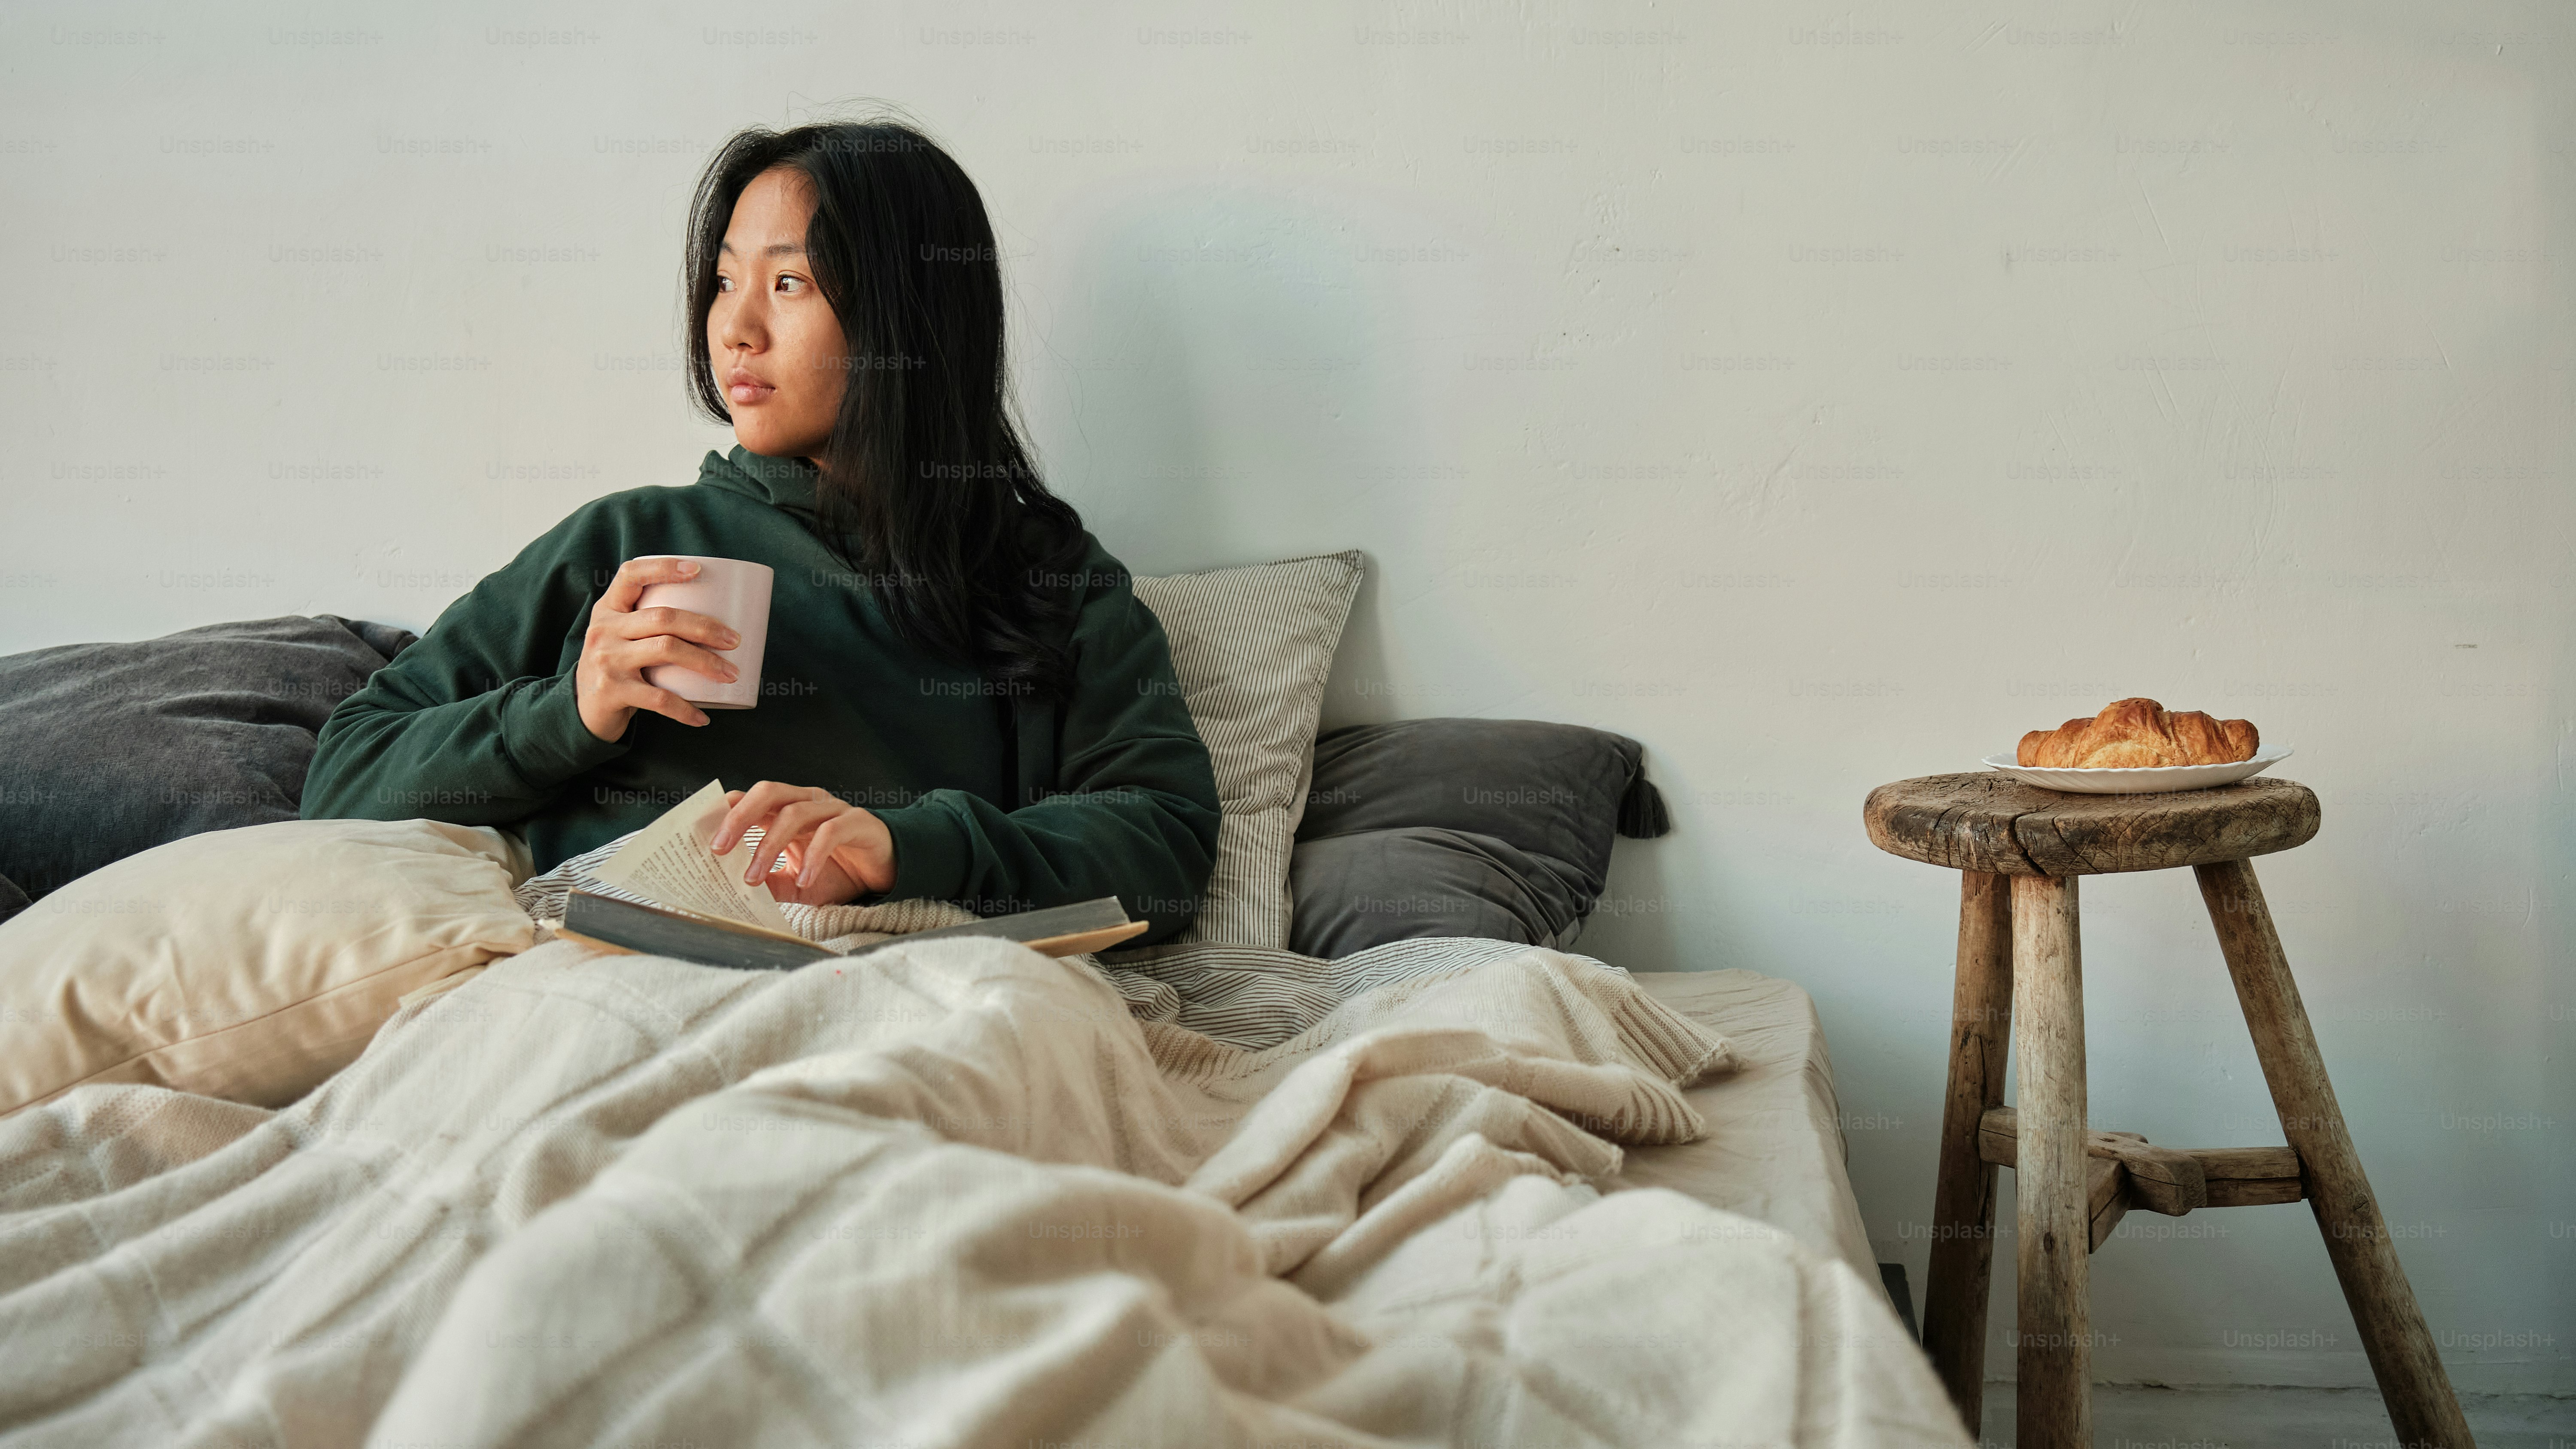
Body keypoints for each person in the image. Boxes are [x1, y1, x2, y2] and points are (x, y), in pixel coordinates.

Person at [301, 115, 1222, 945]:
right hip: (604, 976)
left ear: (907, 316)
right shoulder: (631, 541)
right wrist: (569, 714)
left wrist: (909, 843)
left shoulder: (1045, 576)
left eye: (788, 283)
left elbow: (1164, 836)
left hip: (902, 983)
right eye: (724, 281)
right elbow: (343, 780)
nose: (735, 328)